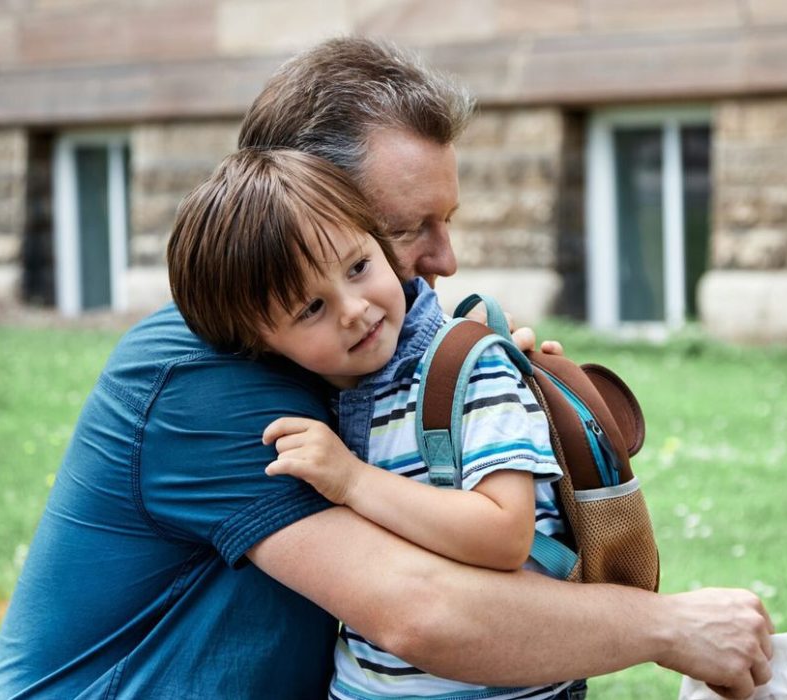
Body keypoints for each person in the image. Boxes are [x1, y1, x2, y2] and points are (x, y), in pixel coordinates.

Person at [0, 36, 773, 699]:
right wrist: (671, 628)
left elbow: (478, 527)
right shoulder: (204, 383)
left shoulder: (351, 362)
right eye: (408, 227)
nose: (446, 259)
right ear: (300, 203)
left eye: (445, 220)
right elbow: (424, 615)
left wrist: (481, 394)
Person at [170, 146, 578, 699]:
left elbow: (505, 534)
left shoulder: (467, 368)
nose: (355, 309)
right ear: (260, 346)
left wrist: (354, 480)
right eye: (310, 309)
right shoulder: (330, 397)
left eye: (359, 267)